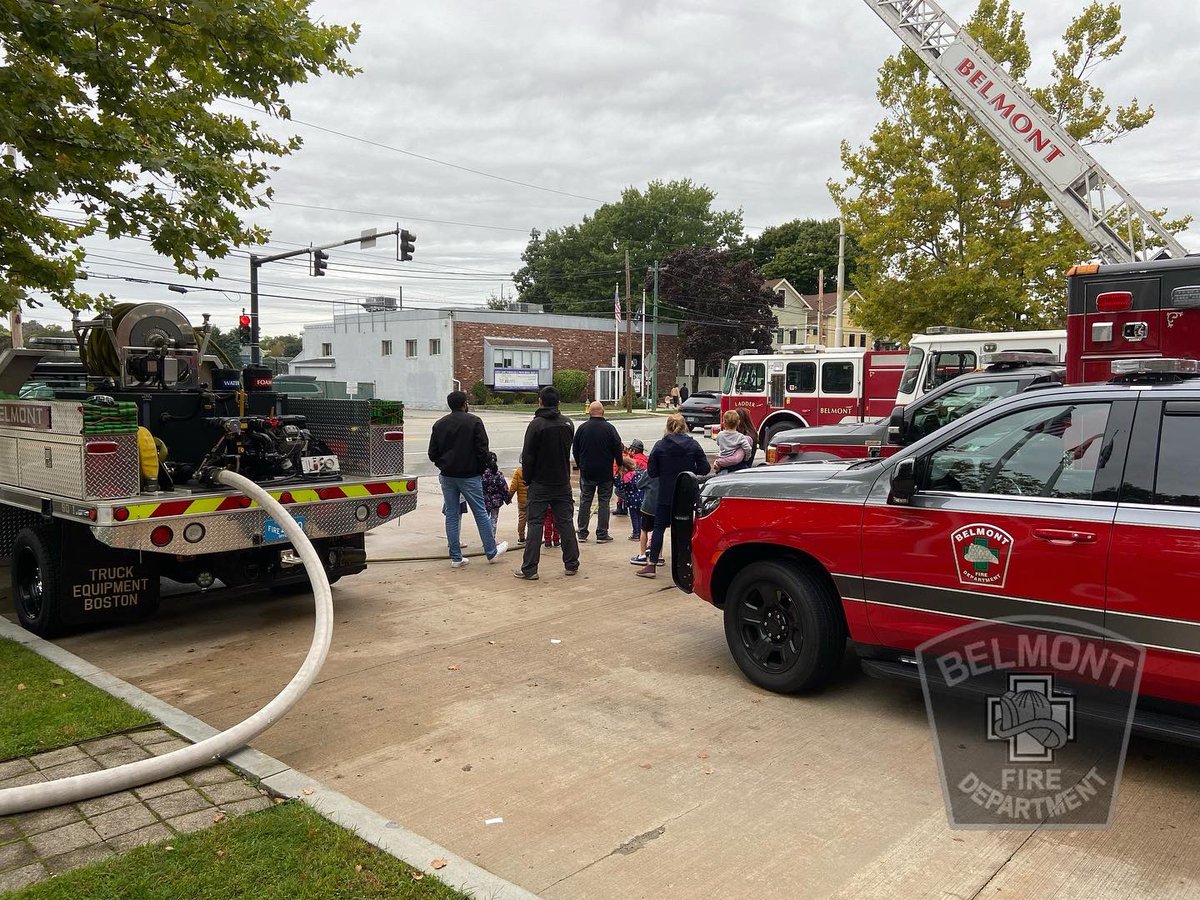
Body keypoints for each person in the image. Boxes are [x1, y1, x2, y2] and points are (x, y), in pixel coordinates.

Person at [427, 391, 508, 569]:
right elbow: (482, 450)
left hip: (447, 476)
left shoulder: (439, 424)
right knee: (480, 512)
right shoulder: (475, 421)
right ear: (464, 403)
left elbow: (432, 453)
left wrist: (443, 465)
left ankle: (456, 557)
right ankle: (491, 551)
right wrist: (479, 469)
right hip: (469, 476)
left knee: (452, 514)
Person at [515, 386, 579, 580]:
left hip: (540, 483)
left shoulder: (536, 425)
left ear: (540, 402)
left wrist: (528, 478)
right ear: (558, 403)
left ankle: (530, 568)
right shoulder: (568, 424)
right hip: (561, 481)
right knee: (565, 523)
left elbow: (528, 456)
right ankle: (571, 563)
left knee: (535, 524)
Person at [636, 414, 708, 578]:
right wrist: (689, 470)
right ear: (685, 426)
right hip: (685, 493)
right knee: (685, 530)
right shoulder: (693, 444)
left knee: (659, 528)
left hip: (666, 493)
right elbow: (704, 468)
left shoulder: (660, 446)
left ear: (668, 427)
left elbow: (652, 472)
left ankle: (652, 564)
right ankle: (687, 565)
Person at [572, 400, 624, 543]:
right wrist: (619, 464)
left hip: (587, 471)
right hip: (605, 472)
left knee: (585, 501)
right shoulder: (609, 429)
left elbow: (575, 449)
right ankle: (602, 533)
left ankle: (582, 532)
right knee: (604, 502)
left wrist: (580, 464)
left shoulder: (582, 429)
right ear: (603, 412)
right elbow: (617, 448)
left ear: (589, 412)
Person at [712, 409, 753, 475]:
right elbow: (748, 448)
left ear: (724, 422)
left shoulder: (720, 434)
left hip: (723, 463)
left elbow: (718, 443)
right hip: (737, 466)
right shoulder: (740, 437)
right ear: (738, 422)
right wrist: (746, 458)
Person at [481, 452, 511, 532]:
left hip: (484, 500)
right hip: (496, 501)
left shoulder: (482, 474)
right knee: (493, 520)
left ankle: (485, 539)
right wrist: (507, 499)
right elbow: (504, 488)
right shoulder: (498, 474)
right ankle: (492, 539)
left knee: (484, 521)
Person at [509, 464, 528, 545]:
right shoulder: (535, 470)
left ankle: (521, 538)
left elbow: (513, 487)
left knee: (522, 519)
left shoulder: (518, 472)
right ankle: (532, 537)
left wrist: (508, 498)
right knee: (532, 520)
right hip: (532, 500)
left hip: (521, 500)